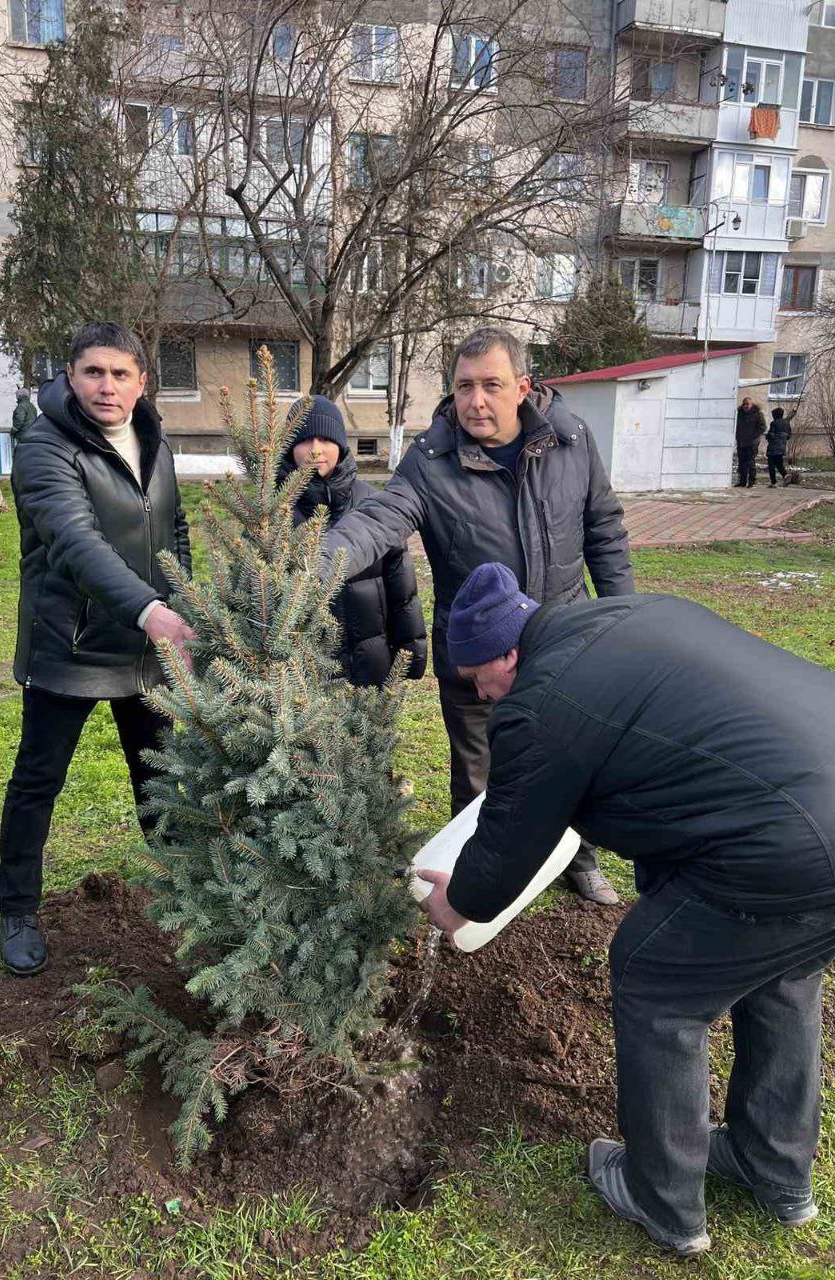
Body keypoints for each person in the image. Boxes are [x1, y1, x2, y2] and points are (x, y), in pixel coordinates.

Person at [419, 562, 835, 1258]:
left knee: (655, 981)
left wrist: (455, 902)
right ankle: (775, 1170)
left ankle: (662, 1198)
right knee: (778, 975)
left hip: (788, 839)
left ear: (509, 652)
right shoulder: (629, 619)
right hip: (814, 800)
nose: (481, 694)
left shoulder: (542, 701)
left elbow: (508, 847)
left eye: (477, 677)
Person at [322, 326, 634, 905]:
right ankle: (472, 884)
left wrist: (622, 618)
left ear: (522, 386)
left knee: (576, 757)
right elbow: (378, 520)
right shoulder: (430, 461)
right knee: (477, 773)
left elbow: (605, 531)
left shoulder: (571, 440)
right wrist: (311, 567)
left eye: (491, 385)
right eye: (464, 386)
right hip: (476, 658)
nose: (476, 400)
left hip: (564, 641)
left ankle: (580, 861)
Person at [0, 321, 195, 977]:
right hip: (72, 647)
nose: (106, 386)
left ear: (142, 381)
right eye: (92, 372)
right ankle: (17, 908)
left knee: (161, 782)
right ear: (71, 375)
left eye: (120, 374)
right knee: (38, 782)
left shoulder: (154, 440)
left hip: (145, 650)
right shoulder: (44, 446)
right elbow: (76, 544)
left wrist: (186, 607)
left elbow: (175, 531)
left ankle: (195, 899)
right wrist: (151, 612)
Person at [279, 394, 427, 687]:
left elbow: (402, 588)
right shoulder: (276, 510)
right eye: (305, 440)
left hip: (370, 665)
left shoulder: (372, 503)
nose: (316, 450)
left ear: (341, 444)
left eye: (325, 439)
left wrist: (411, 652)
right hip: (303, 680)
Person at [735, 396, 766, 488]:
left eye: (747, 404)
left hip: (752, 442)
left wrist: (753, 435)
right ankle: (742, 481)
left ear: (751, 405)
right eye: (744, 404)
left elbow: (762, 427)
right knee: (741, 462)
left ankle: (752, 481)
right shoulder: (739, 414)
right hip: (741, 442)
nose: (745, 406)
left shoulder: (757, 414)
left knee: (750, 462)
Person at [766, 406, 793, 486]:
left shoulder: (774, 423)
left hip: (773, 447)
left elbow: (771, 435)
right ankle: (785, 475)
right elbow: (789, 435)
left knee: (771, 464)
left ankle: (773, 482)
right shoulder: (787, 423)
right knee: (778, 463)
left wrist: (767, 436)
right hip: (782, 447)